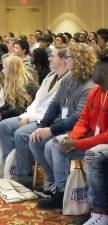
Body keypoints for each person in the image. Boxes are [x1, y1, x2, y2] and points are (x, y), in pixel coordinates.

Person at [28, 43, 95, 209]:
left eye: (68, 57)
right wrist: (42, 125)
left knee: (54, 145)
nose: (65, 60)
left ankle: (61, 191)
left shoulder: (89, 85)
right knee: (35, 139)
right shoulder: (68, 77)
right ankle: (52, 182)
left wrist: (50, 130)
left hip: (84, 133)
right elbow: (55, 103)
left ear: (78, 60)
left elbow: (77, 118)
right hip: (66, 127)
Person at [0, 46, 70, 191]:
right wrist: (26, 115)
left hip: (49, 120)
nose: (49, 58)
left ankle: (24, 177)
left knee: (21, 133)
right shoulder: (50, 77)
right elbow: (37, 101)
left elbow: (53, 109)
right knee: (4, 125)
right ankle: (11, 168)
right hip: (34, 115)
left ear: (62, 60)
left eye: (53, 56)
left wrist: (30, 119)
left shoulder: (67, 80)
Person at [77, 49, 108, 225]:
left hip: (101, 143)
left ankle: (100, 212)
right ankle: (63, 194)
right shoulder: (96, 90)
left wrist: (81, 143)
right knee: (56, 145)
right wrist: (72, 139)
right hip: (95, 139)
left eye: (96, 68)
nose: (92, 71)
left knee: (92, 154)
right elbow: (83, 119)